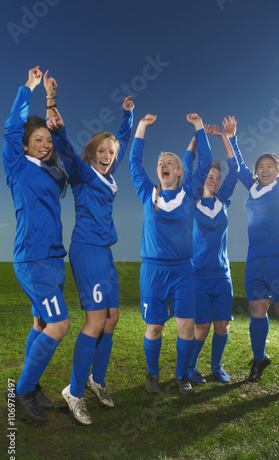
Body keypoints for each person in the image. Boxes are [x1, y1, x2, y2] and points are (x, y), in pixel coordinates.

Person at [46, 78, 134, 424]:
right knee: (96, 320)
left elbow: (122, 142)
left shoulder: (110, 174)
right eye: (102, 151)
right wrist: (59, 127)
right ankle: (74, 390)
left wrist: (127, 116)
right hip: (86, 251)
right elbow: (66, 152)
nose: (108, 156)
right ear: (92, 153)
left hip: (104, 252)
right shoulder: (83, 173)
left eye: (111, 154)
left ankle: (97, 380)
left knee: (111, 319)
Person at [2, 66, 70, 422]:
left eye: (47, 140)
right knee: (60, 324)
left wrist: (52, 99)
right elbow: (12, 126)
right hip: (33, 259)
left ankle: (32, 384)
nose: (44, 144)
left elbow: (60, 136)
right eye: (38, 139)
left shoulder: (52, 172)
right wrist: (28, 87)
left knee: (41, 324)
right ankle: (23, 391)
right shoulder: (16, 165)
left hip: (54, 258)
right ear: (26, 144)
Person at [129, 113, 212, 396]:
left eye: (170, 163)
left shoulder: (189, 194)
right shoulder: (147, 193)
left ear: (178, 172)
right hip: (153, 271)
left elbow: (206, 162)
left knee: (186, 327)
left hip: (183, 271)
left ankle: (181, 375)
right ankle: (152, 374)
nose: (163, 165)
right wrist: (141, 127)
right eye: (160, 163)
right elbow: (133, 163)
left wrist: (199, 128)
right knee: (154, 328)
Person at [225, 99, 279, 389]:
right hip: (255, 260)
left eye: (270, 166)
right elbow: (238, 165)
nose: (264, 169)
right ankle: (260, 359)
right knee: (257, 311)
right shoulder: (253, 187)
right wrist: (232, 138)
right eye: (261, 166)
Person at [182, 124, 238, 384]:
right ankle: (190, 367)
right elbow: (186, 172)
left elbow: (235, 170)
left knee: (222, 326)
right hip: (198, 276)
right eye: (210, 176)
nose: (214, 181)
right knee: (201, 327)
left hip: (222, 276)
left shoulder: (223, 200)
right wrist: (193, 144)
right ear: (203, 177)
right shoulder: (191, 202)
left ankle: (216, 366)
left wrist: (226, 137)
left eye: (217, 177)